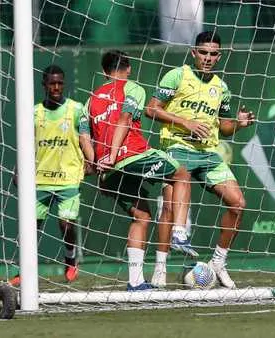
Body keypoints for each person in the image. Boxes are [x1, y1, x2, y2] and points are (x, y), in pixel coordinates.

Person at [146, 31, 255, 289]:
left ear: (219, 56)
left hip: (207, 154)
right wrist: (186, 122)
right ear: (194, 53)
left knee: (238, 203)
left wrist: (238, 125)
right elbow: (151, 109)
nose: (207, 58)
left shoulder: (222, 88)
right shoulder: (177, 75)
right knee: (170, 205)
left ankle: (219, 262)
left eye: (213, 54)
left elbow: (224, 128)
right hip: (176, 147)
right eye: (203, 52)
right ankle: (161, 266)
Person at [87, 50, 191, 291]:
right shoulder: (132, 88)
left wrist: (98, 167)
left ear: (104, 72)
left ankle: (135, 282)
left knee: (141, 216)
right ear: (129, 68)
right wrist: (113, 156)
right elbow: (125, 119)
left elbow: (85, 135)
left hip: (108, 168)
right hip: (131, 155)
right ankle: (178, 232)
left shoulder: (91, 99)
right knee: (182, 174)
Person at [10, 65, 95, 286]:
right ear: (44, 85)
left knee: (66, 223)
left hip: (68, 177)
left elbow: (86, 137)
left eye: (60, 83)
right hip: (39, 179)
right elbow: (25, 145)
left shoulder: (76, 110)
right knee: (31, 227)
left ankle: (70, 259)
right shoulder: (34, 112)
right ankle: (24, 270)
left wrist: (91, 160)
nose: (56, 87)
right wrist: (18, 170)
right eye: (52, 83)